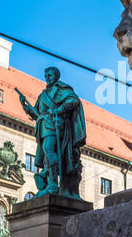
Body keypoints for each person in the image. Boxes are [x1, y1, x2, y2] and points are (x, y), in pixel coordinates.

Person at [19, 67, 86, 199]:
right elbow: (36, 113)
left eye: (49, 75)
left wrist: (58, 110)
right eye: (45, 75)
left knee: (49, 150)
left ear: (56, 76)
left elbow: (74, 101)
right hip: (43, 127)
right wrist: (25, 107)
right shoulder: (43, 95)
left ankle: (53, 184)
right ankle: (49, 182)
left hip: (56, 125)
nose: (47, 77)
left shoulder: (62, 89)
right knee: (46, 155)